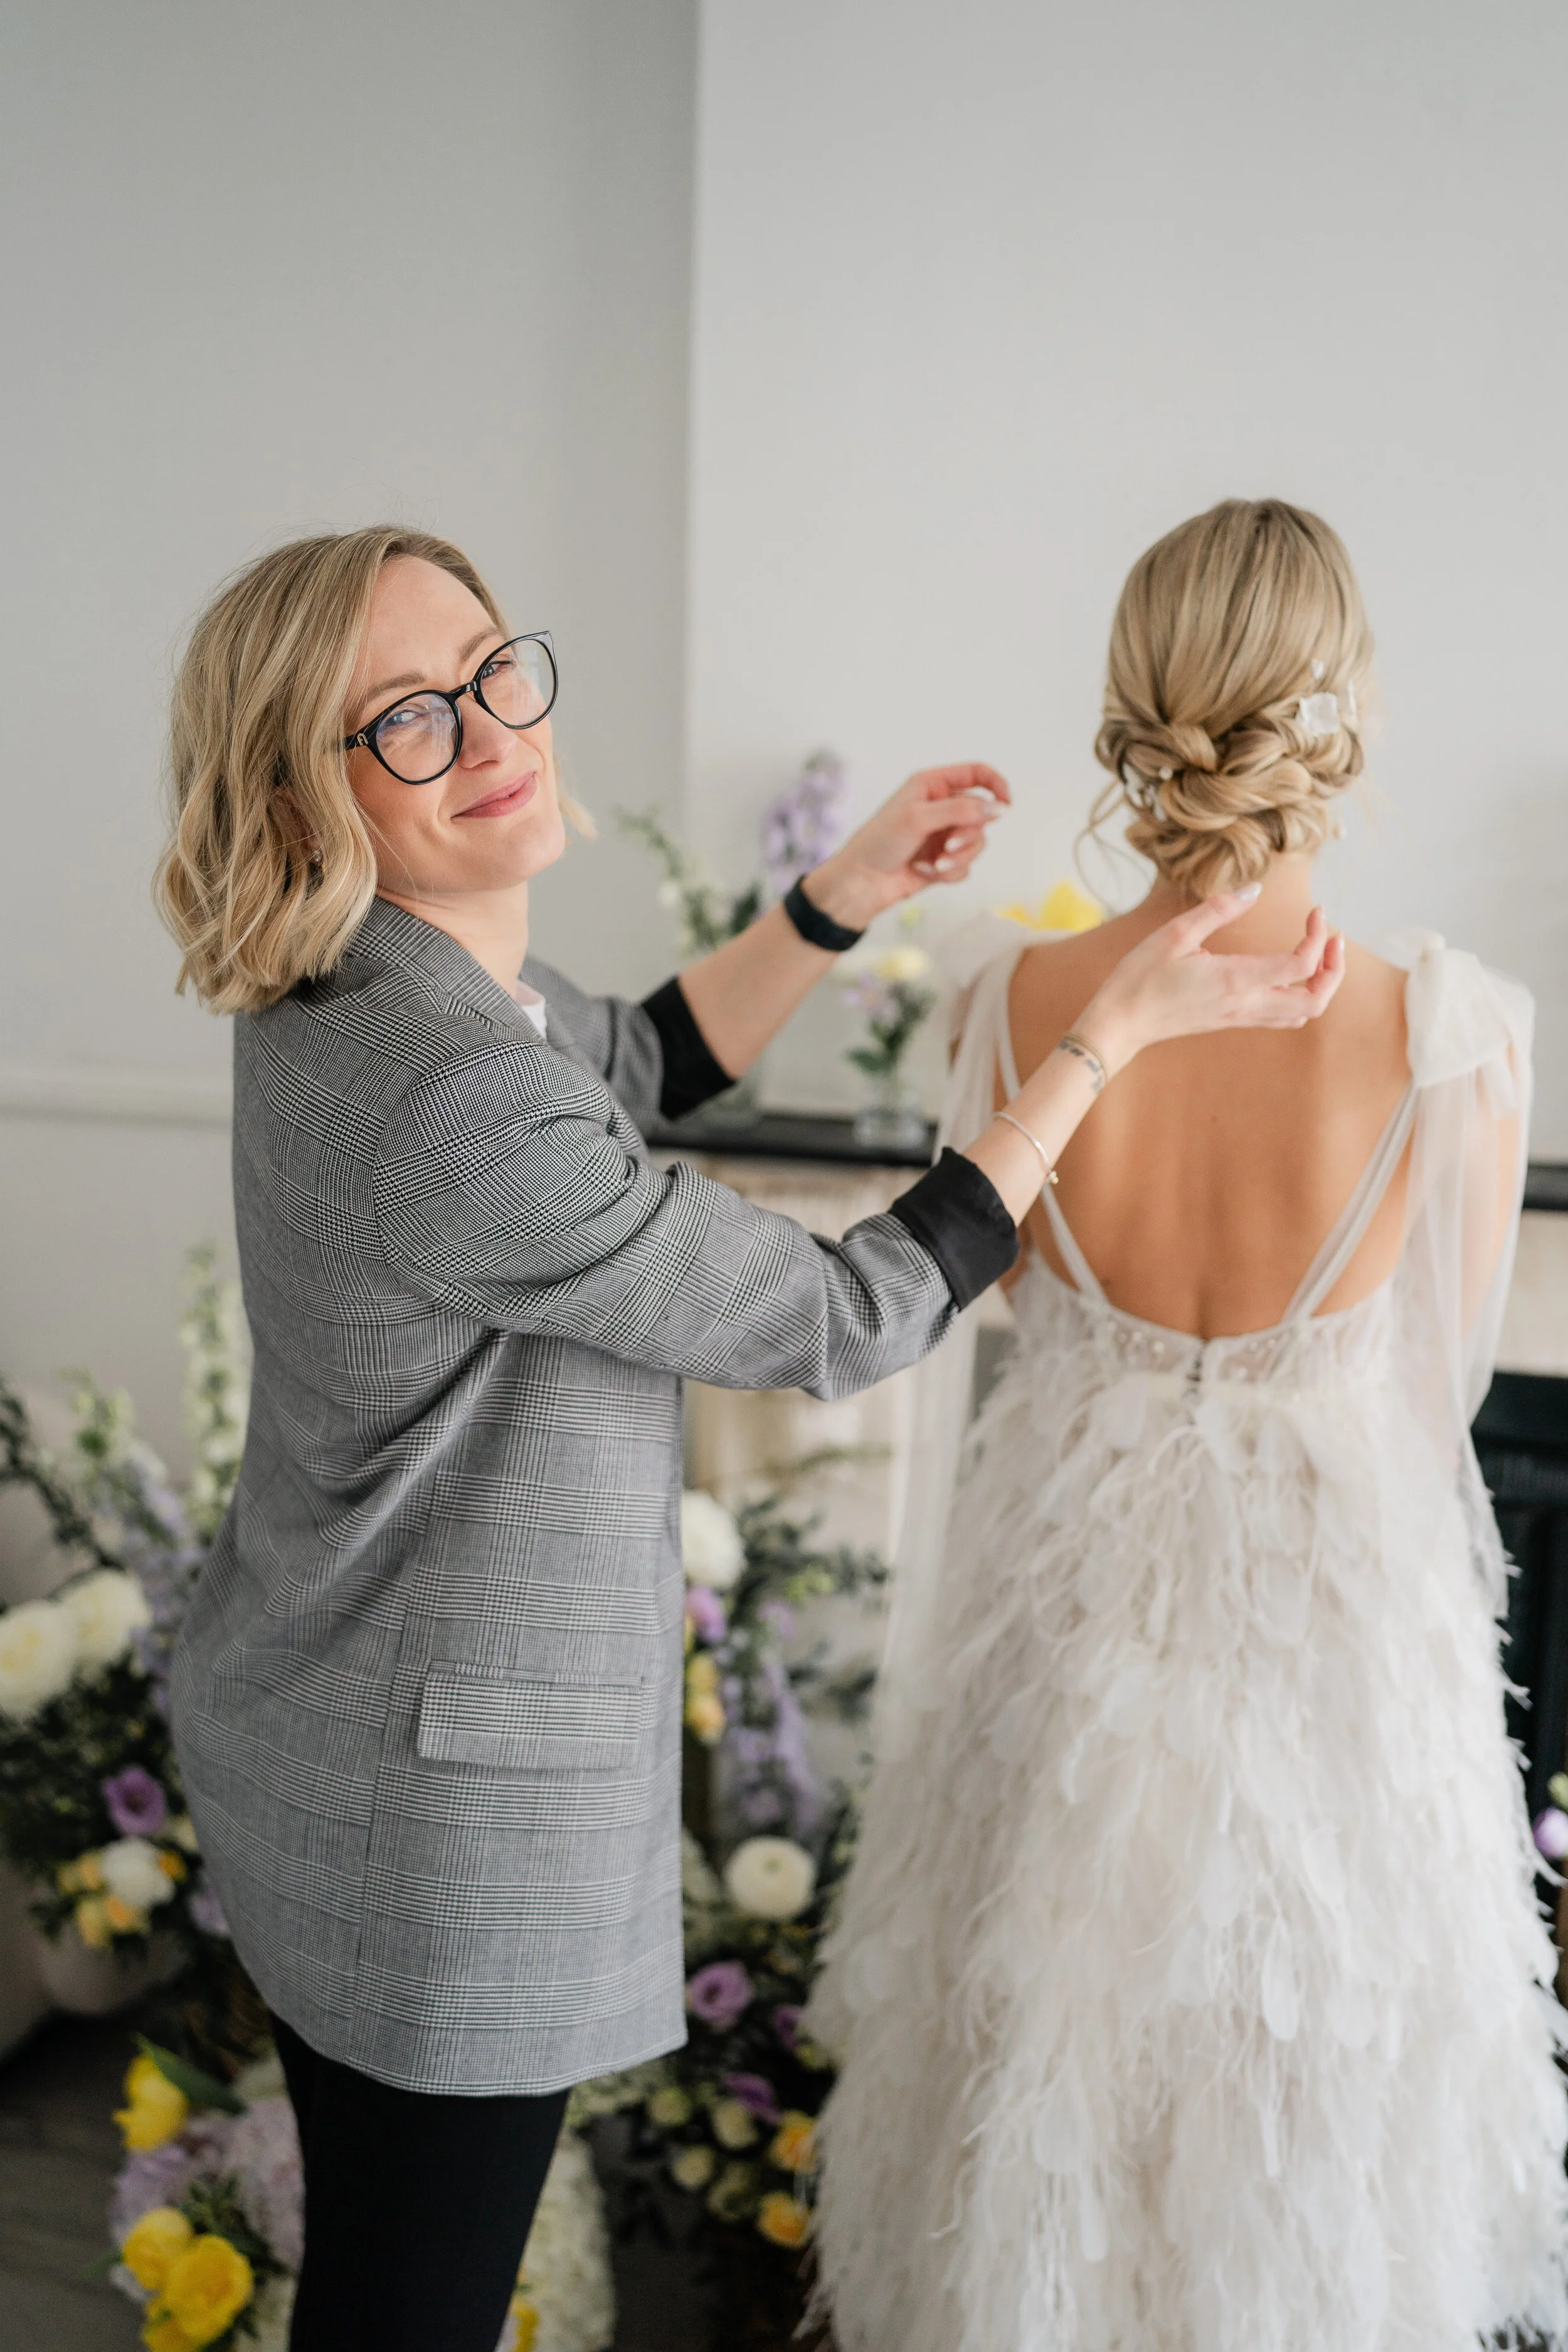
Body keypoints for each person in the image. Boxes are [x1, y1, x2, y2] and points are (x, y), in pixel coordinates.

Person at [152, 524, 1341, 2352]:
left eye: (491, 666)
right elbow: (846, 1314)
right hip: (433, 1823)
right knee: (414, 2305)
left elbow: (629, 1059)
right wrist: (1103, 1046)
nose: (488, 730)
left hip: (317, 1733)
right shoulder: (448, 1092)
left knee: (385, 2268)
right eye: (403, 719)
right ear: (301, 795)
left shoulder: (379, 983)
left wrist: (834, 899)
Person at [810, 499, 1568, 2352]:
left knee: (1039, 2090)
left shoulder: (1009, 1003)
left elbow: (985, 1284)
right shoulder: (1448, 1031)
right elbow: (1445, 1382)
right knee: (1304, 2146)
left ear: (1130, 716)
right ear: (1342, 711)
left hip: (1058, 1631)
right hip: (1331, 1653)